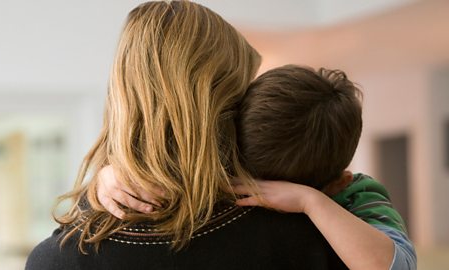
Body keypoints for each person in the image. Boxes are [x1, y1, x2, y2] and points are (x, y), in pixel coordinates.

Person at [25, 2, 346, 270]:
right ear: (223, 106)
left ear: (122, 97)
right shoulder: (307, 234)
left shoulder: (57, 259)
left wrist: (96, 191)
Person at [97, 65, 416, 270]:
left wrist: (310, 201)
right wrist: (110, 176)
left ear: (337, 182)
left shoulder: (357, 194)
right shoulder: (232, 158)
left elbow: (395, 265)